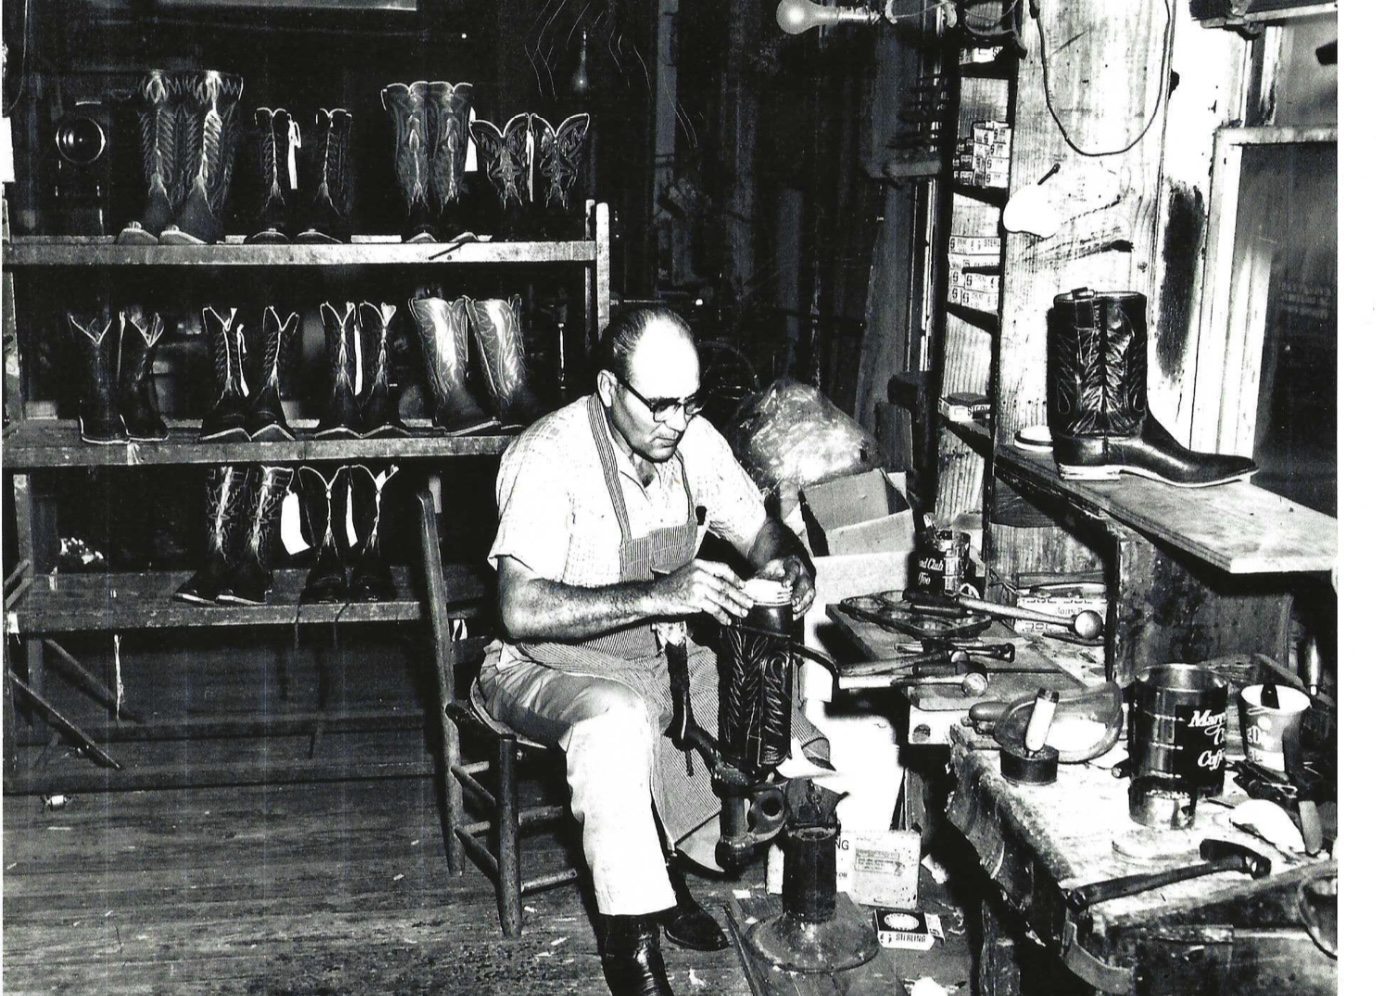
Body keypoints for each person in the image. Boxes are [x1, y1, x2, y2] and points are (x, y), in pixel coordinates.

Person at [475, 306, 826, 996]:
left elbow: (762, 534)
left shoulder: (692, 441)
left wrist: (792, 565)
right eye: (660, 404)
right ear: (610, 389)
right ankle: (630, 947)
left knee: (775, 701)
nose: (678, 420)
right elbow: (519, 608)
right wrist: (657, 593)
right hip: (541, 665)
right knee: (614, 723)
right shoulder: (548, 456)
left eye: (691, 402)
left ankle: (689, 867)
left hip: (653, 655)